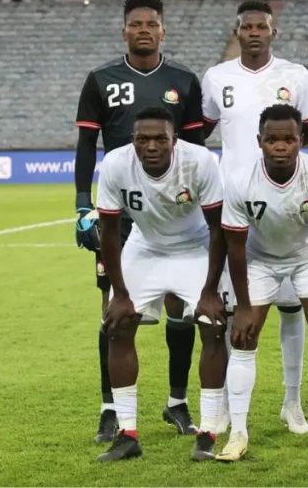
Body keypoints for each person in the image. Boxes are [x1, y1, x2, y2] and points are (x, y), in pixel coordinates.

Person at [74, 0, 206, 443]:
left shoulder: (184, 80)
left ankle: (177, 402)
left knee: (181, 310)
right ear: (124, 30)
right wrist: (81, 203)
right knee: (114, 311)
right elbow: (85, 147)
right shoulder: (101, 80)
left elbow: (196, 150)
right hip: (118, 208)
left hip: (173, 210)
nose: (144, 29)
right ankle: (110, 408)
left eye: (152, 23)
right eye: (136, 23)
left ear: (163, 31)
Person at [200, 0, 308, 435]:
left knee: (294, 310)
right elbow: (200, 132)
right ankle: (220, 409)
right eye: (247, 26)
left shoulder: (295, 76)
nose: (254, 32)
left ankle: (292, 403)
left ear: (273, 33)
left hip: (288, 205)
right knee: (234, 312)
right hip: (235, 206)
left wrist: (284, 162)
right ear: (237, 33)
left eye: (262, 26)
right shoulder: (217, 78)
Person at [93, 107, 225, 462]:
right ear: (132, 140)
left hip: (194, 247)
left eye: (160, 139)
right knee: (116, 326)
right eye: (142, 139)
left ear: (174, 140)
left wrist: (211, 291)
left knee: (213, 325)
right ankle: (127, 433)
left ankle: (209, 433)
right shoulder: (116, 164)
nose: (151, 146)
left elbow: (218, 229)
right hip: (145, 245)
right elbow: (108, 230)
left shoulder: (200, 162)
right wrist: (119, 294)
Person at [219, 105, 308, 461]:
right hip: (259, 260)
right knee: (244, 339)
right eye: (271, 139)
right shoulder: (241, 180)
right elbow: (234, 247)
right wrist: (243, 306)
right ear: (259, 141)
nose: (280, 146)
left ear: (301, 141)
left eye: (288, 139)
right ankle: (238, 434)